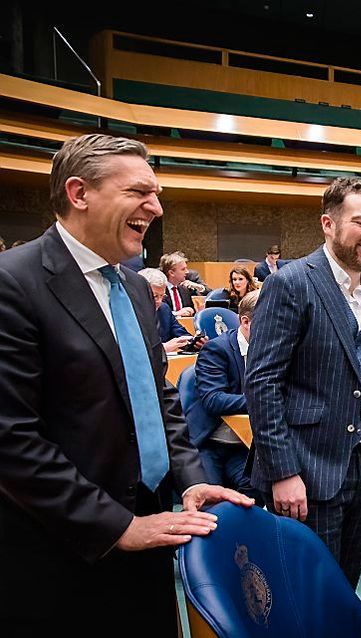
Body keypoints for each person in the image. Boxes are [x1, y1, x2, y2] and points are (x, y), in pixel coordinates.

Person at [0, 134, 253, 635]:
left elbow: (157, 396)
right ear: (79, 193)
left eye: (156, 194)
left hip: (152, 527)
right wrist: (118, 526)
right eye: (139, 191)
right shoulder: (14, 282)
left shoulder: (135, 287)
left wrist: (190, 476)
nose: (155, 207)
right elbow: (11, 438)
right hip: (63, 552)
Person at [245, 176, 361, 588]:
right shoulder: (290, 283)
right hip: (306, 470)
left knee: (346, 586)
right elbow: (262, 382)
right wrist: (282, 471)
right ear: (328, 224)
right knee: (306, 592)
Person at [191, 290, 262, 503]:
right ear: (246, 321)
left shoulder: (273, 350)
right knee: (210, 505)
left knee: (256, 493)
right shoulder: (217, 349)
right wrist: (264, 400)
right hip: (213, 442)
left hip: (247, 444)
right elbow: (213, 400)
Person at [138, 267, 205, 354]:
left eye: (162, 296)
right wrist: (163, 348)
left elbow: (180, 334)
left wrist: (196, 343)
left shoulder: (164, 309)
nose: (159, 301)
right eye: (155, 296)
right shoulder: (129, 313)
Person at [161, 250, 196, 317]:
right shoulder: (160, 290)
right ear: (171, 273)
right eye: (183, 269)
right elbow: (159, 313)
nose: (187, 272)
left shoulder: (184, 290)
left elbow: (192, 312)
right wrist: (176, 313)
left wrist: (191, 311)